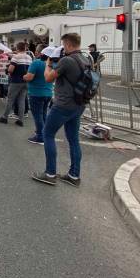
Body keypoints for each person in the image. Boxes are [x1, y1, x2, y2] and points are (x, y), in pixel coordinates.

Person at [32, 33, 89, 187]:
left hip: (63, 105)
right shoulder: (86, 59)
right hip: (79, 105)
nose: (63, 48)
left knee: (47, 134)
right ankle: (74, 175)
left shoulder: (67, 60)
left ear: (69, 44)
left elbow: (48, 78)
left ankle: (50, 174)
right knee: (73, 140)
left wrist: (48, 64)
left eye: (64, 45)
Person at [0, 42, 32, 126]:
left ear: (17, 48)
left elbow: (11, 70)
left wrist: (8, 69)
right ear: (25, 48)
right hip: (25, 81)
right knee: (22, 100)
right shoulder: (29, 57)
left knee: (10, 99)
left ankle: (4, 117)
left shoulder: (16, 57)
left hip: (16, 80)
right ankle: (20, 120)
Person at [23, 45, 54, 145]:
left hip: (36, 93)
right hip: (48, 93)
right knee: (44, 114)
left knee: (37, 116)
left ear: (42, 53)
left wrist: (24, 76)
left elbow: (29, 77)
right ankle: (44, 133)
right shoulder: (53, 65)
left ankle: (40, 136)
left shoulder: (36, 63)